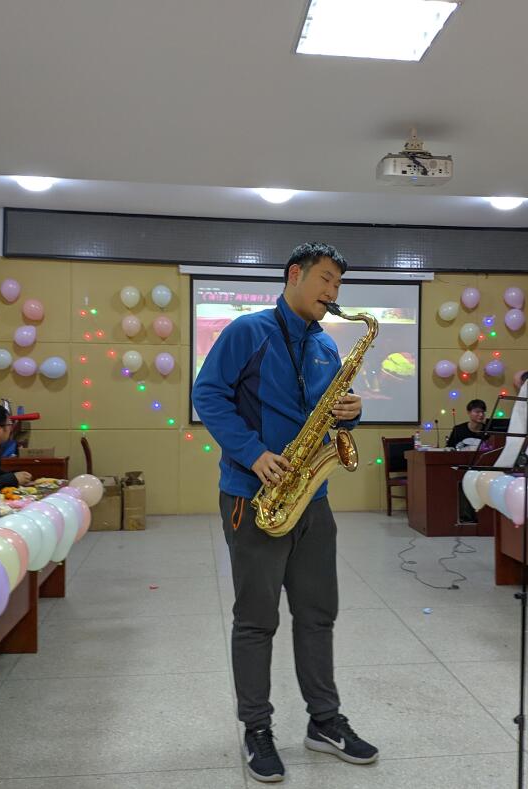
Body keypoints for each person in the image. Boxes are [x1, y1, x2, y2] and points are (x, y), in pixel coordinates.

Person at [192, 242, 378, 783]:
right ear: (295, 274)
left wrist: (352, 413)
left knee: (318, 614)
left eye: (338, 284)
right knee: (257, 620)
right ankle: (256, 729)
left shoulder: (325, 345)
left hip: (313, 499)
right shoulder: (248, 331)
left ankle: (324, 721)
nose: (332, 292)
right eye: (325, 279)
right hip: (254, 495)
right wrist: (252, 452)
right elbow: (208, 394)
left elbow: (333, 419)